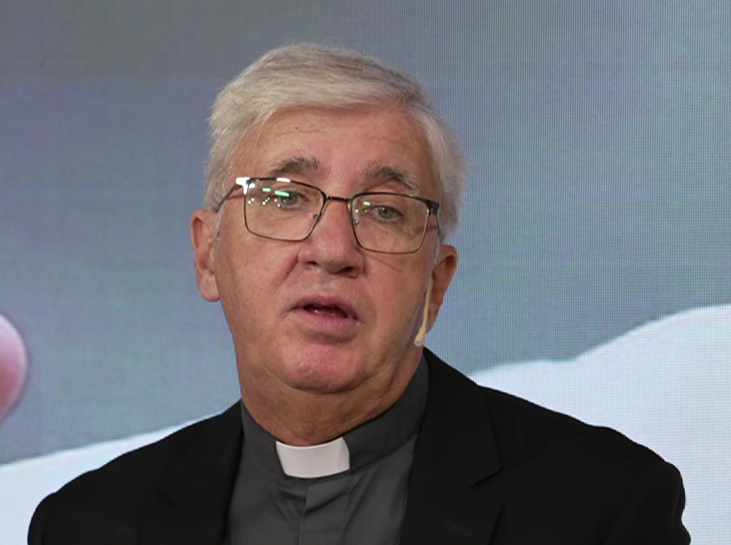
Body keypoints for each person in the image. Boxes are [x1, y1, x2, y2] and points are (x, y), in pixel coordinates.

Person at [28, 44, 690, 544]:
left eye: (384, 211)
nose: (333, 249)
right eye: (284, 197)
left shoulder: (604, 507)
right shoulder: (89, 523)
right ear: (208, 256)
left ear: (436, 284)